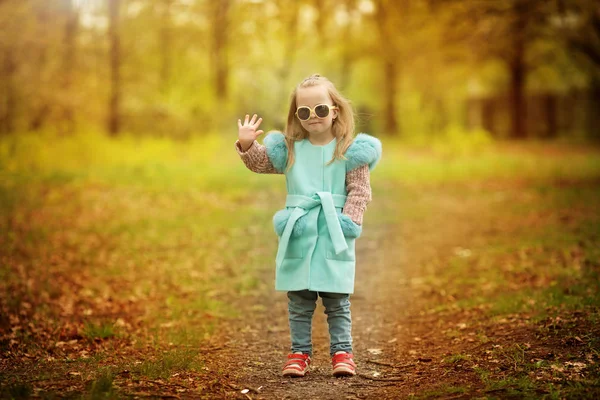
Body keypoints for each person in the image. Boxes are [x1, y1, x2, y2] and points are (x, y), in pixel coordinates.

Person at [234, 74, 382, 378]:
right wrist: (248, 144)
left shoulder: (350, 150)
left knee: (336, 298)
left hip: (333, 231)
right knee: (299, 298)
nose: (313, 117)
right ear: (296, 116)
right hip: (299, 230)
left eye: (321, 109)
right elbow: (261, 162)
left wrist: (349, 222)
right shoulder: (290, 149)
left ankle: (343, 352)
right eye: (304, 112)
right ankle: (299, 353)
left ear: (335, 110)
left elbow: (360, 190)